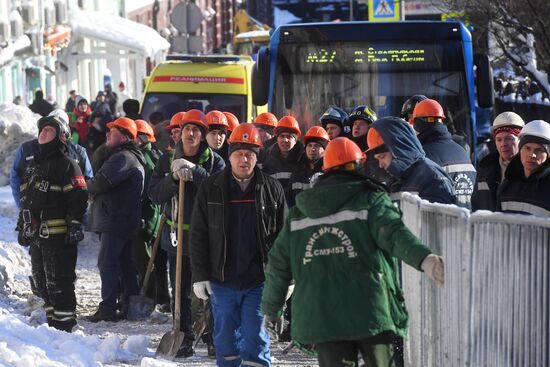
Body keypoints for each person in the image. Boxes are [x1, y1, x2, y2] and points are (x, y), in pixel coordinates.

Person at [261, 137, 444, 367]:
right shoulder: (372, 200)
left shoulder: (301, 212)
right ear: (360, 165)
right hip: (370, 310)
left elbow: (278, 265)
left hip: (323, 314)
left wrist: (272, 309)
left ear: (325, 170)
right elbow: (395, 235)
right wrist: (425, 259)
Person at [190, 123, 286, 367]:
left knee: (255, 334)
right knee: (224, 337)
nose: (244, 159)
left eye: (250, 154)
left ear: (257, 157)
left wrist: (289, 278)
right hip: (222, 278)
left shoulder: (271, 189)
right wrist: (199, 275)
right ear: (230, 156)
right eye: (239, 154)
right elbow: (199, 234)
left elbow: (284, 237)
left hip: (258, 278)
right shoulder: (210, 188)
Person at [149, 109, 225, 357]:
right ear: (179, 133)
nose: (191, 134)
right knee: (180, 293)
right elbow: (154, 195)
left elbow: (218, 192)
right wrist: (172, 177)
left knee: (210, 293)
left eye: (196, 130)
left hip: (207, 240)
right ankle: (183, 339)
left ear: (203, 136)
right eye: (187, 129)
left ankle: (215, 339)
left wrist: (195, 171)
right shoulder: (165, 160)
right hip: (177, 239)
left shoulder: (215, 162)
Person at [16, 113, 88, 332]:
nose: (44, 133)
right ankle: (52, 330)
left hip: (58, 238)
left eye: (49, 130)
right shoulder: (34, 167)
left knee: (60, 284)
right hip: (38, 238)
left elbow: (78, 196)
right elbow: (27, 201)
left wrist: (75, 223)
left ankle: (65, 328)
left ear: (61, 136)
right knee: (42, 284)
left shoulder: (68, 165)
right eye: (42, 130)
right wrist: (22, 225)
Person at [86, 117, 145, 322]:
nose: (107, 134)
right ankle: (130, 306)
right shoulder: (131, 157)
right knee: (126, 263)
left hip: (116, 219)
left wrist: (88, 185)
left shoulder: (122, 158)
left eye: (113, 131)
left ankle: (108, 308)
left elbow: (100, 182)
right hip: (124, 220)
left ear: (125, 136)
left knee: (107, 263)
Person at [10, 109, 93, 209]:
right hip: (33, 211)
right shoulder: (27, 149)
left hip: (66, 212)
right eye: (47, 127)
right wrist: (22, 205)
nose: (47, 131)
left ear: (65, 130)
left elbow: (88, 181)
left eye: (53, 128)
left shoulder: (78, 152)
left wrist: (78, 213)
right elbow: (15, 177)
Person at [367, 117, 455, 204]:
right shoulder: (399, 178)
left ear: (399, 150)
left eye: (382, 157)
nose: (380, 165)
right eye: (377, 159)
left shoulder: (432, 178)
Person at [410, 99, 476, 208]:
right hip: (467, 220)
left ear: (419, 125)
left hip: (440, 223)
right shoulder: (462, 151)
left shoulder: (423, 156)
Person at [133, 119, 169, 309]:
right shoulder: (158, 155)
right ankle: (162, 296)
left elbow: (145, 191)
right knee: (158, 260)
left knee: (145, 260)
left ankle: (151, 296)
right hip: (155, 215)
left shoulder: (145, 158)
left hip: (148, 215)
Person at [472, 112, 525, 211]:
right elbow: (476, 204)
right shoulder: (485, 168)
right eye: (499, 139)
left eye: (509, 138)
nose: (503, 144)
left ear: (521, 140)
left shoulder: (529, 170)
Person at [497, 120, 550, 216]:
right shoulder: (508, 184)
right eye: (527, 148)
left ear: (548, 155)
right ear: (520, 150)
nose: (532, 155)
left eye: (539, 150)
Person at [260, 115, 304, 196]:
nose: (285, 140)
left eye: (289, 136)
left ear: (295, 140)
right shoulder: (267, 158)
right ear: (277, 139)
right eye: (282, 136)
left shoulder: (303, 159)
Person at [288, 126, 329, 207]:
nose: (312, 149)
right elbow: (290, 196)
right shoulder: (297, 169)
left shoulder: (329, 171)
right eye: (309, 145)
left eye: (317, 146)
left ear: (325, 149)